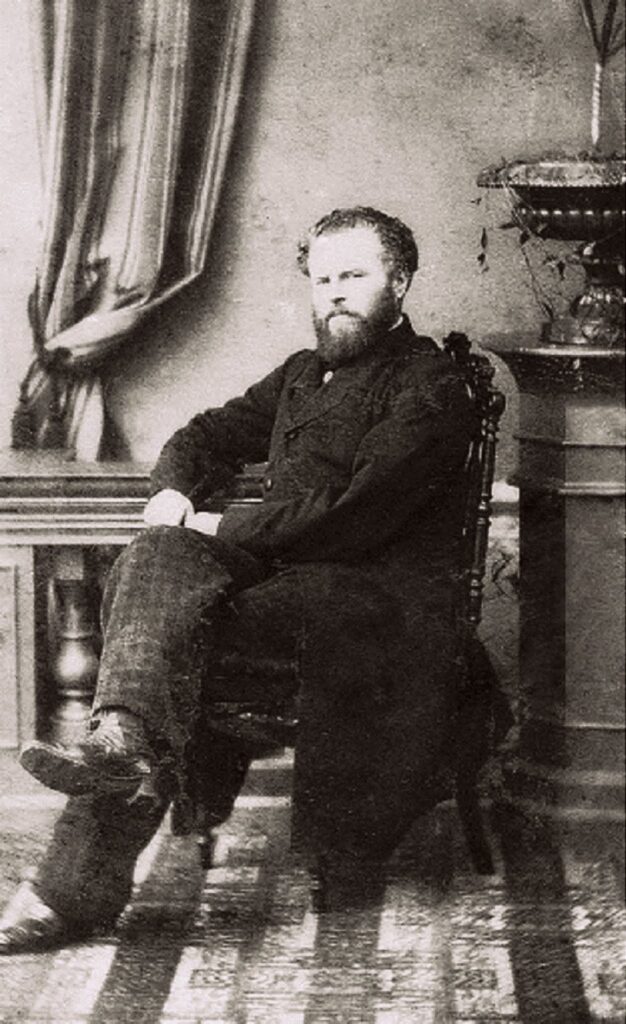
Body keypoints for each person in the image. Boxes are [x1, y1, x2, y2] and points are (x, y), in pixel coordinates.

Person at [0, 206, 480, 953]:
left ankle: (67, 893)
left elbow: (357, 511)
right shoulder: (300, 373)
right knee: (156, 555)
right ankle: (122, 737)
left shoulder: (430, 384)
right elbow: (204, 434)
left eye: (353, 276)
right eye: (321, 280)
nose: (334, 295)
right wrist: (175, 492)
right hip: (287, 581)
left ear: (401, 282)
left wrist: (216, 527)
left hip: (376, 599)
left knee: (172, 644)